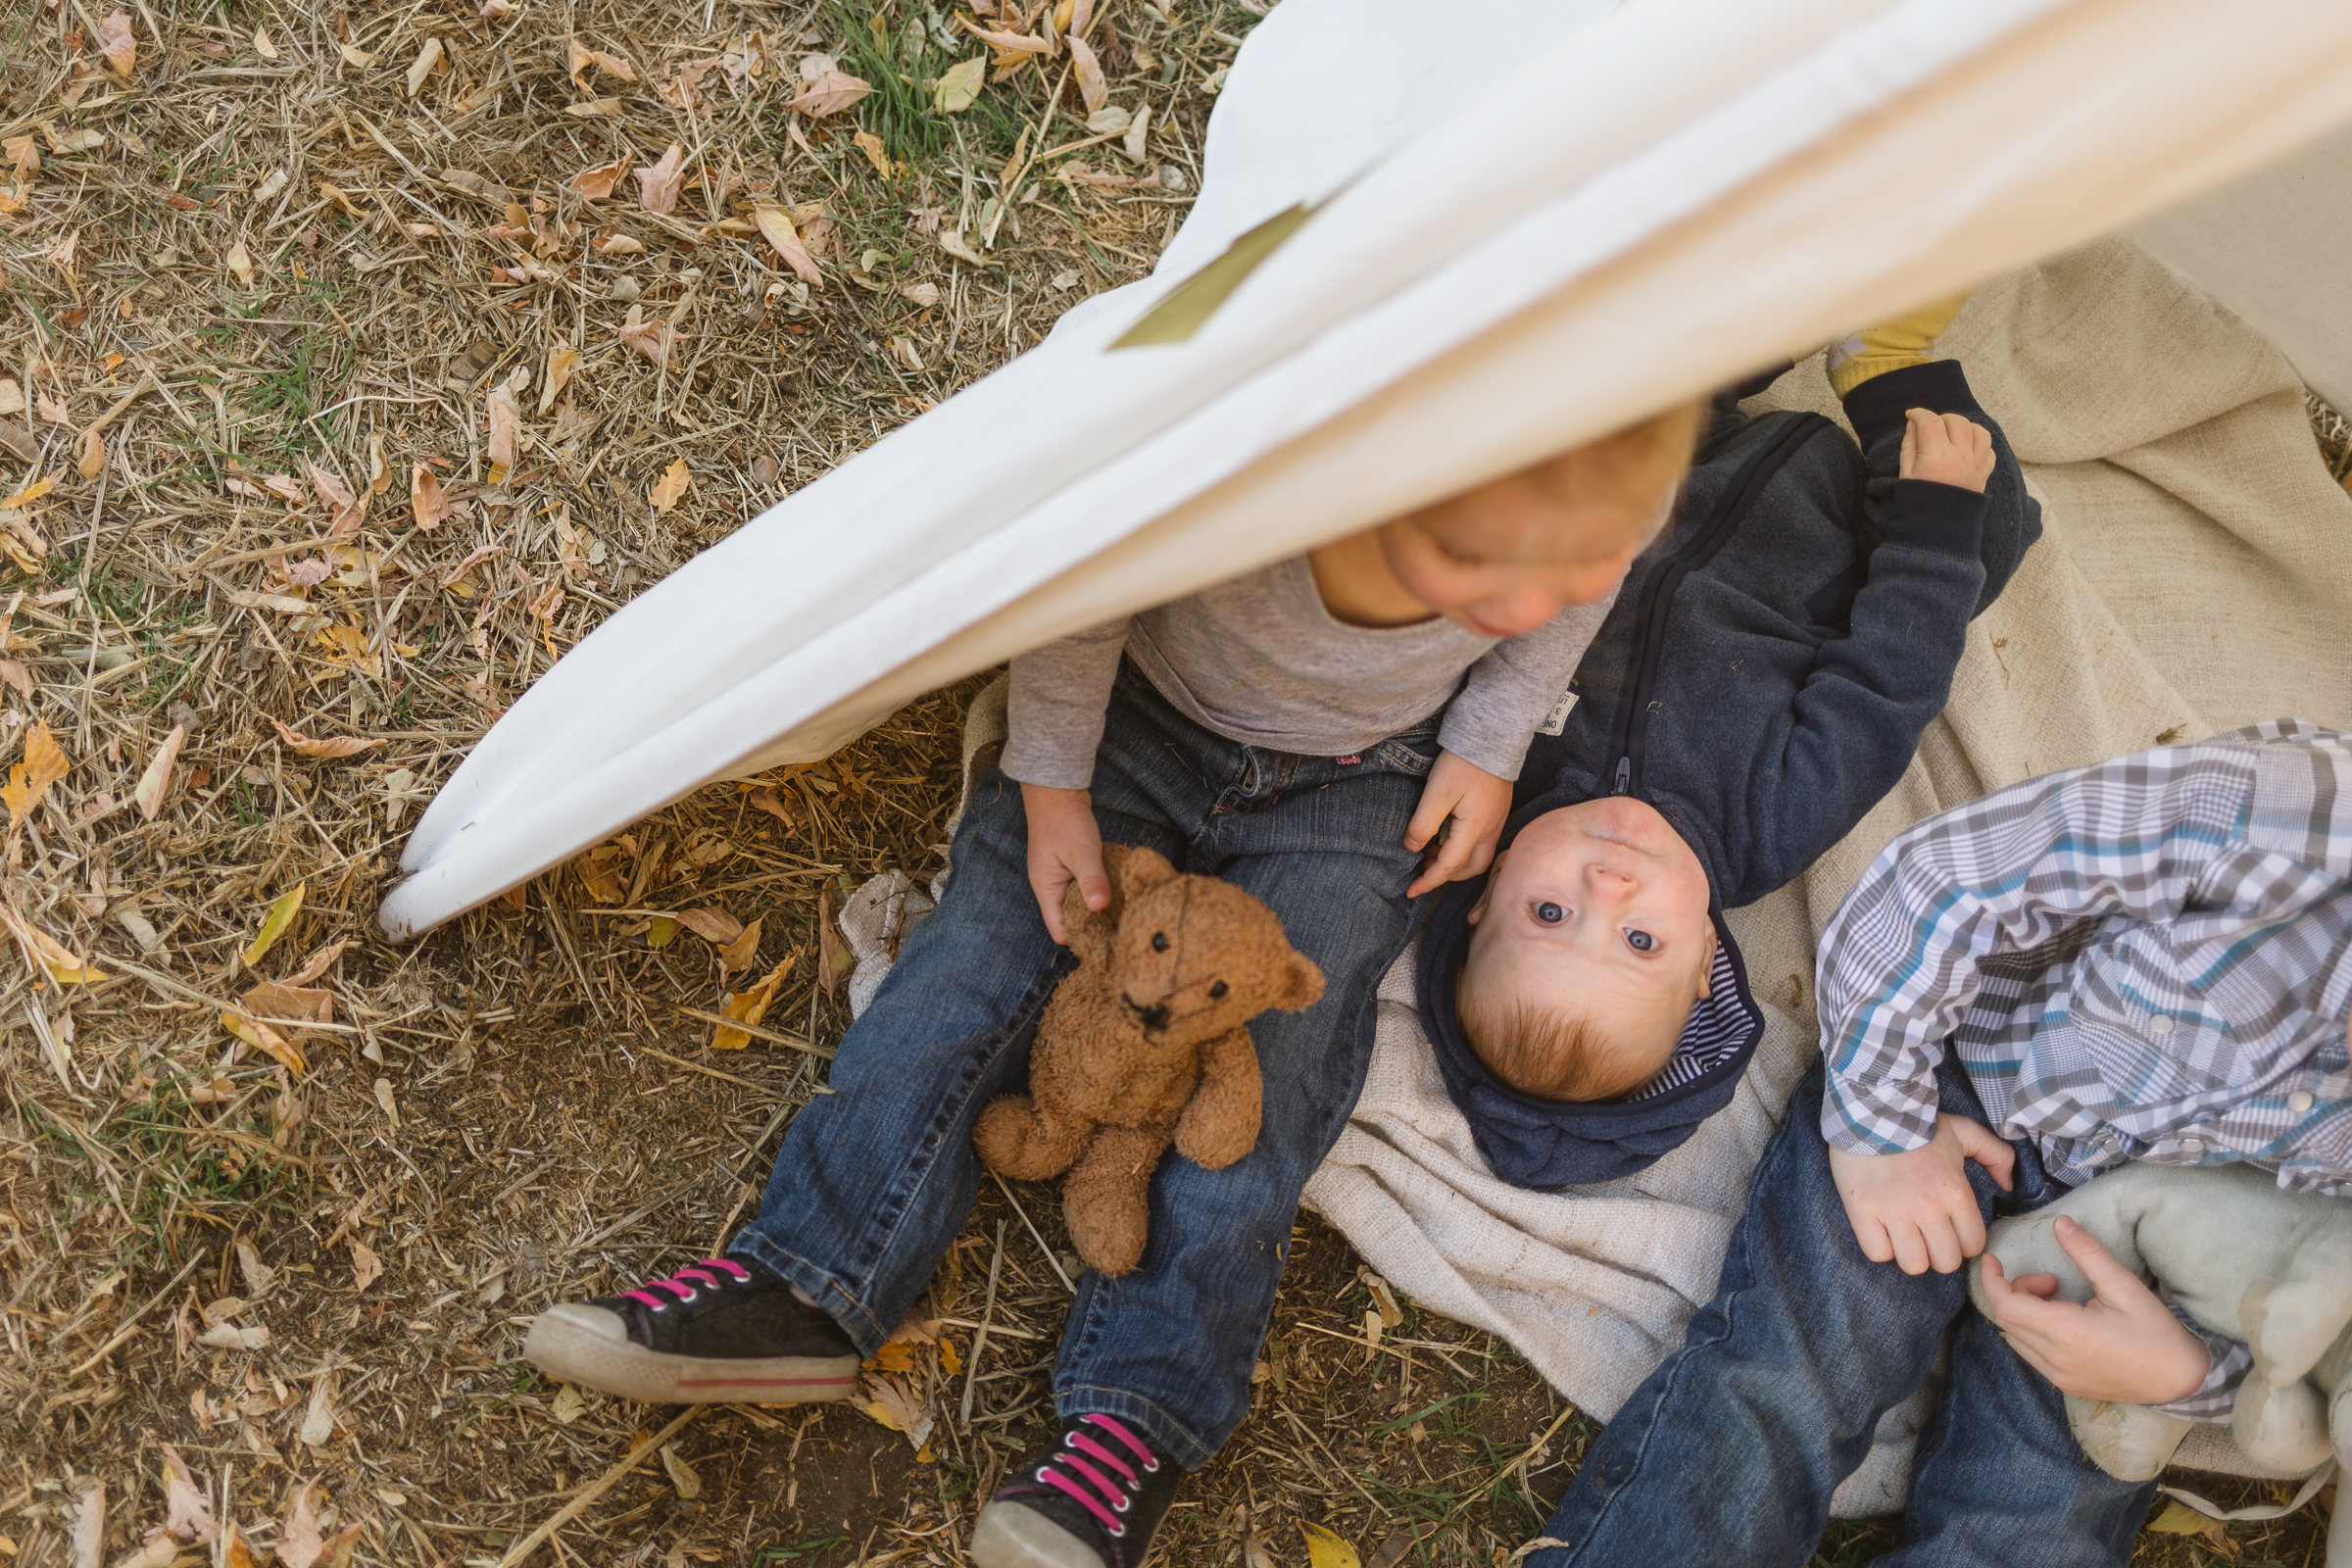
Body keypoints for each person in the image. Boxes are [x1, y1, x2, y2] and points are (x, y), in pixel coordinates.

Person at [522, 394, 1705, 1568]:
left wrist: (1488, 743)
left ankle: (1132, 1415)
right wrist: (1050, 787)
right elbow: (1085, 582)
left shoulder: (1572, 477)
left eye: (1580, 563)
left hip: (1365, 781)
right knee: (977, 956)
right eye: (1471, 561)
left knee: (1269, 1076)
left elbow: (1570, 585)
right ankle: (807, 1279)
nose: (1522, 603)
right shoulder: (1252, 453)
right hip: (1139, 719)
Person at [1530, 720, 2352, 1568]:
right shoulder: (2296, 817)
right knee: (1791, 1380)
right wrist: (1882, 1132)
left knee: (2032, 1533)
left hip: (2162, 1270)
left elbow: (2331, 1347)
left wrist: (2187, 1377)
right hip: (1963, 1080)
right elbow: (1944, 882)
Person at [1419, 299, 2041, 1189]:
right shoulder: (1768, 824)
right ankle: (1883, 358)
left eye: (1550, 916)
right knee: (1984, 528)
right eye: (1640, 941)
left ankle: (1779, 316)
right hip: (1840, 536)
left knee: (1602, 418)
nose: (1606, 887)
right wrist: (1934, 532)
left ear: (1486, 896)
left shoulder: (1501, 774)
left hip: (1682, 473)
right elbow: (1888, 681)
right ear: (1710, 958)